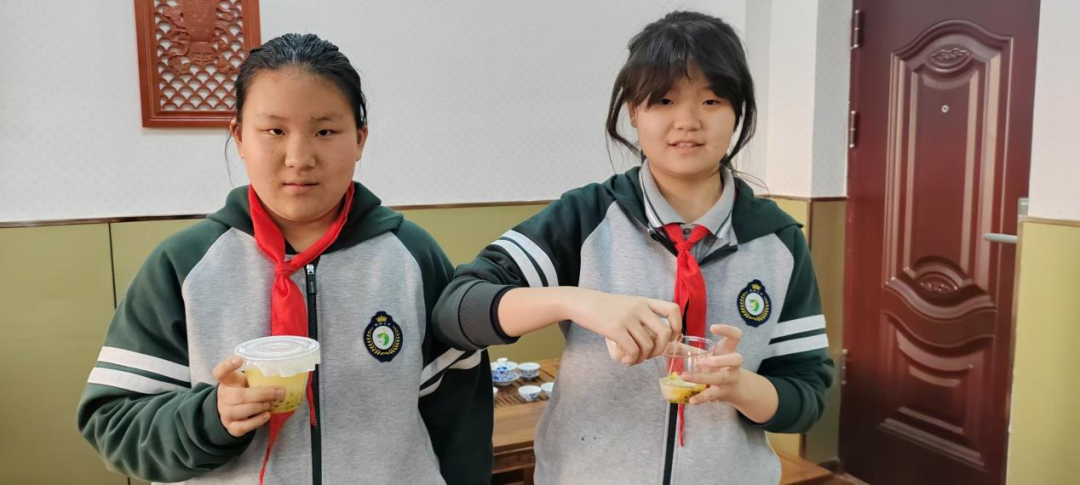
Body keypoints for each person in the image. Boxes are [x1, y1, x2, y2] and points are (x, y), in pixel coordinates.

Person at [433, 11, 833, 484]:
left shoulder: (778, 241)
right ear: (633, 112)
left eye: (711, 100)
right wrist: (578, 301)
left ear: (738, 112)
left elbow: (807, 396)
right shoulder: (584, 218)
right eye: (664, 100)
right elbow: (457, 309)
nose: (688, 121)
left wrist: (740, 386)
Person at [77, 33, 492, 485]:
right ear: (239, 137)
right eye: (274, 131)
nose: (299, 158)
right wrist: (210, 417)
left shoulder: (413, 257)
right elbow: (114, 425)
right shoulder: (183, 265)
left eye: (325, 131)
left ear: (360, 139)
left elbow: (461, 420)